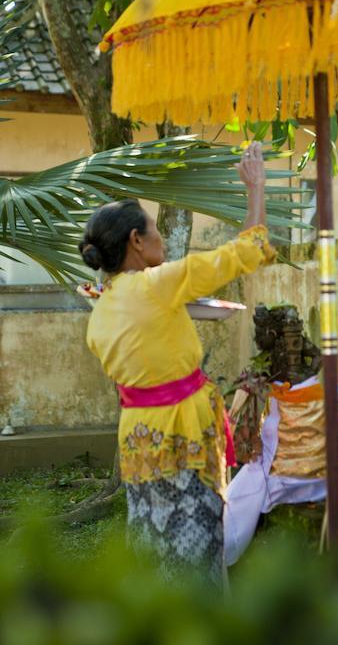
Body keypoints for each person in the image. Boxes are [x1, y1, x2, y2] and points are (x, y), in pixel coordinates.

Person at [78, 142, 274, 585]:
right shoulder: (156, 284)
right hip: (180, 430)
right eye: (155, 231)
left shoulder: (102, 304)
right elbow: (244, 251)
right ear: (136, 241)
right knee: (196, 545)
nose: (162, 240)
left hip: (137, 437)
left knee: (152, 543)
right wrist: (256, 188)